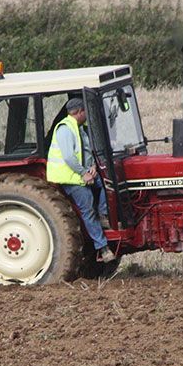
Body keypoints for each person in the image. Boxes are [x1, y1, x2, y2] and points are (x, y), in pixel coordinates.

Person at [46, 98, 116, 263]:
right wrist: (84, 173)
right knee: (88, 209)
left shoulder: (80, 128)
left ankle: (104, 215)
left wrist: (92, 167)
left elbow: (85, 151)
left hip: (83, 173)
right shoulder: (65, 129)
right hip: (70, 178)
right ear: (78, 112)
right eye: (85, 111)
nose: (86, 114)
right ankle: (103, 248)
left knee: (108, 184)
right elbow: (69, 157)